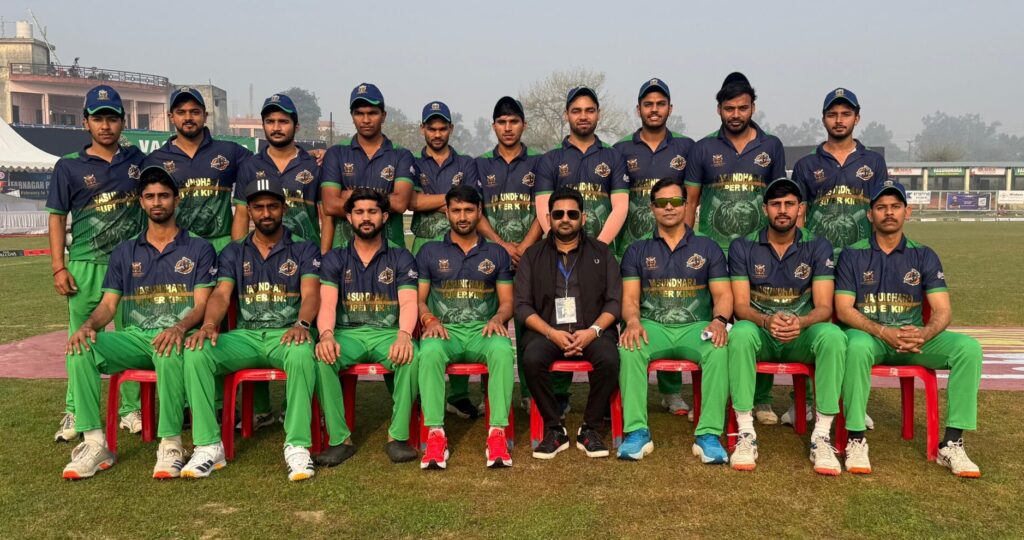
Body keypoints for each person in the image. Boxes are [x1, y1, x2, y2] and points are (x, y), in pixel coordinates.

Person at [61, 166, 216, 479]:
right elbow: (108, 305)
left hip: (175, 336)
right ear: (141, 202)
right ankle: (94, 443)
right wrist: (89, 326)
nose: (157, 202)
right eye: (150, 196)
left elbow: (202, 304)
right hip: (134, 337)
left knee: (168, 349)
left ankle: (171, 444)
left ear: (176, 200)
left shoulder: (199, 247)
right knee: (81, 347)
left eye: (164, 195)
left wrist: (179, 328)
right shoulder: (125, 250)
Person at [836, 180, 982, 478]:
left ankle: (952, 443)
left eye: (895, 206)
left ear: (907, 211)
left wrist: (924, 334)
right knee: (855, 346)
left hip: (914, 339)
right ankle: (855, 438)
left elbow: (943, 310)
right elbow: (843, 309)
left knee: (969, 349)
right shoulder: (853, 254)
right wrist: (882, 332)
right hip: (872, 338)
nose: (888, 213)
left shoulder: (924, 255)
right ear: (870, 215)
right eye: (881, 207)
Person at [180, 177, 321, 481]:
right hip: (245, 337)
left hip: (286, 334)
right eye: (258, 207)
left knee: (301, 353)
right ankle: (208, 445)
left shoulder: (304, 247)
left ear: (284, 208)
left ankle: (297, 445)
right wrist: (209, 324)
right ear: (249, 211)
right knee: (196, 351)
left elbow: (311, 293)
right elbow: (221, 294)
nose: (266, 213)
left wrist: (302, 323)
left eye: (272, 206)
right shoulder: (234, 251)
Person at [684, 72, 788, 425]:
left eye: (742, 108)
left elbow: (780, 198)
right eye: (729, 108)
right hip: (713, 249)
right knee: (712, 319)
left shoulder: (771, 146)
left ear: (753, 107)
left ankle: (761, 399)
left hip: (760, 250)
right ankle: (708, 397)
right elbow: (691, 201)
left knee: (761, 315)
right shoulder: (703, 148)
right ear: (719, 110)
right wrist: (686, 244)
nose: (736, 114)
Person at [726, 177, 846, 474]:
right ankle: (745, 431)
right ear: (764, 209)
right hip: (761, 332)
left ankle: (822, 435)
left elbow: (824, 307)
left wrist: (801, 322)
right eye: (776, 204)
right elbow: (740, 306)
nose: (782, 210)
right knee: (739, 333)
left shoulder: (818, 245)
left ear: (800, 209)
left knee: (832, 336)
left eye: (789, 204)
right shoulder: (743, 246)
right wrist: (766, 320)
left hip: (801, 334)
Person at [46, 84, 145, 442]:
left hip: (131, 266)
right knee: (81, 339)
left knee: (133, 338)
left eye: (112, 119)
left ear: (123, 122)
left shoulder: (137, 161)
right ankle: (75, 410)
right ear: (86, 122)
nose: (106, 126)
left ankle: (130, 409)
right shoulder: (68, 166)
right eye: (98, 118)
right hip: (85, 265)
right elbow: (57, 217)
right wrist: (59, 267)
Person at [788, 88, 887, 430]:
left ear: (857, 118)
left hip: (860, 258)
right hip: (818, 258)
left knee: (855, 326)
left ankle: (852, 400)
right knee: (817, 326)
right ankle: (805, 401)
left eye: (845, 114)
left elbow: (879, 209)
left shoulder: (873, 162)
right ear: (824, 119)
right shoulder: (807, 164)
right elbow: (799, 213)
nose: (839, 120)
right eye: (833, 114)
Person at [616, 178, 732, 465]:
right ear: (652, 208)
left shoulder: (708, 247)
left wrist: (719, 321)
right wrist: (632, 322)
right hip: (652, 326)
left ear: (687, 205)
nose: (669, 207)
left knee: (718, 349)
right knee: (629, 347)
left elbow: (723, 294)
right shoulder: (636, 250)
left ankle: (708, 434)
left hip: (696, 327)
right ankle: (637, 431)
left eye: (676, 201)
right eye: (662, 203)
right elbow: (629, 298)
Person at [313, 188, 420, 465]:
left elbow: (409, 302)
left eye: (372, 211)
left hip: (388, 334)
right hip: (347, 334)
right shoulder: (335, 258)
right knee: (323, 356)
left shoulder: (401, 257)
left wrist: (404, 335)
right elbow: (327, 305)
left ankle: (398, 437)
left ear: (384, 216)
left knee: (412, 354)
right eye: (359, 212)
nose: (366, 218)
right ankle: (339, 439)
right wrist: (326, 335)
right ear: (349, 217)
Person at [515, 187, 622, 460]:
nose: (565, 219)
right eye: (558, 214)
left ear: (583, 218)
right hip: (548, 332)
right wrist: (552, 333)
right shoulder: (532, 255)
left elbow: (614, 302)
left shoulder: (602, 253)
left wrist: (592, 332)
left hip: (592, 331)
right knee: (531, 359)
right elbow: (522, 306)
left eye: (572, 214)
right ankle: (554, 428)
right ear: (548, 218)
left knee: (610, 359)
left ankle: (590, 428)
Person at [416, 185, 515, 469]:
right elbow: (418, 300)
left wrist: (498, 318)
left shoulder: (496, 253)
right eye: (456, 210)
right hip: (444, 331)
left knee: (502, 350)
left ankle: (497, 432)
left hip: (482, 331)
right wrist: (429, 319)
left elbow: (508, 302)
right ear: (447, 212)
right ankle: (435, 434)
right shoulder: (429, 251)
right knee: (429, 352)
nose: (462, 216)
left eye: (469, 210)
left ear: (479, 212)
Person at [614, 78, 697, 417]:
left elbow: (690, 197)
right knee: (631, 315)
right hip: (631, 247)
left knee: (672, 308)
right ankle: (624, 390)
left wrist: (686, 239)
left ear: (670, 109)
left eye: (660, 104)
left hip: (675, 246)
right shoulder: (621, 150)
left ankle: (671, 391)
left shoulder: (686, 148)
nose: (654, 109)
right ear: (639, 109)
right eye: (648, 104)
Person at [460, 96, 545, 414]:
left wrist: (524, 247)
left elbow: (543, 209)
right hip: (490, 257)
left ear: (524, 124)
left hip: (530, 257)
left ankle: (531, 392)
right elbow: (475, 210)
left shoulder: (539, 162)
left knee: (529, 323)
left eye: (514, 121)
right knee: (489, 320)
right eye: (502, 122)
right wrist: (500, 245)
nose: (508, 128)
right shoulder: (479, 163)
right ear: (493, 125)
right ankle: (488, 394)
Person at [320, 83, 416, 249]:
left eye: (372, 113)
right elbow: (330, 205)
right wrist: (384, 197)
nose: (365, 120)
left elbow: (400, 203)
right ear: (352, 116)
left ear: (383, 116)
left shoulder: (401, 155)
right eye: (359, 113)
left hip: (391, 253)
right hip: (344, 253)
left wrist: (350, 195)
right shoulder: (336, 153)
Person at [535, 86, 629, 252]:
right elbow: (544, 210)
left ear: (598, 114)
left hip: (602, 252)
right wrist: (563, 246)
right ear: (566, 114)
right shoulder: (549, 159)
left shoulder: (614, 156)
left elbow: (620, 207)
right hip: (561, 253)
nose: (583, 116)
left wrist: (598, 247)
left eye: (589, 110)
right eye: (576, 111)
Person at [235, 93, 331, 253]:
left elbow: (327, 218)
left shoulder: (314, 165)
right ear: (263, 125)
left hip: (305, 256)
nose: (276, 128)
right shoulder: (250, 166)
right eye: (270, 122)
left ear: (296, 126)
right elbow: (241, 215)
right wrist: (238, 256)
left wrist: (324, 257)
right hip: (262, 257)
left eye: (283, 122)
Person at [410, 101, 485, 254]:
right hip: (423, 241)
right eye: (432, 129)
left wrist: (428, 200)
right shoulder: (412, 161)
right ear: (422, 128)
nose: (437, 135)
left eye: (443, 129)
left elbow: (471, 204)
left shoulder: (466, 162)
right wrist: (454, 200)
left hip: (460, 243)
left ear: (451, 128)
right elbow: (412, 202)